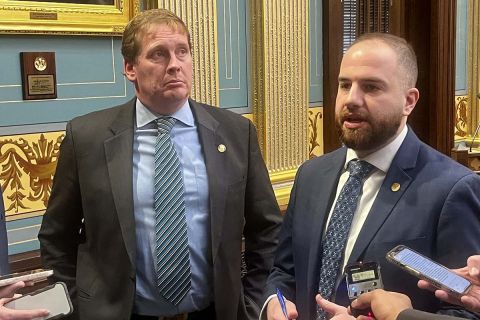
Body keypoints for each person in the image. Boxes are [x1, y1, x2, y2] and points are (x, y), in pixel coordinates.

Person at [39, 8, 281, 320]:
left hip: (214, 312)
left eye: (183, 52)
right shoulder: (86, 138)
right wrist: (73, 309)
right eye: (158, 54)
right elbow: (57, 236)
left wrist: (252, 300)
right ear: (130, 68)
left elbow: (267, 229)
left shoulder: (235, 133)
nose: (175, 65)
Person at [263, 32, 480, 320]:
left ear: (409, 101)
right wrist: (273, 303)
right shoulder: (311, 175)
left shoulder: (453, 189)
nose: (351, 99)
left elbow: (464, 311)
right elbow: (284, 270)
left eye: (371, 87)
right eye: (344, 85)